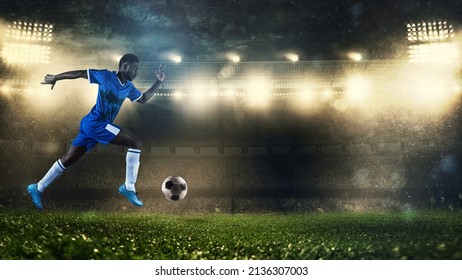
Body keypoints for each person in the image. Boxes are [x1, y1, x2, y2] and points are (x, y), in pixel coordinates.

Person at [27, 54, 166, 209]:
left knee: (68, 160)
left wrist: (158, 82)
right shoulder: (106, 76)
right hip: (96, 123)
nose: (136, 72)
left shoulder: (128, 87)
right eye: (135, 68)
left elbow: (143, 98)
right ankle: (129, 187)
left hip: (93, 125)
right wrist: (56, 77)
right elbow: (81, 73)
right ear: (125, 66)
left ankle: (38, 187)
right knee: (135, 143)